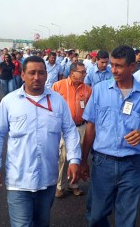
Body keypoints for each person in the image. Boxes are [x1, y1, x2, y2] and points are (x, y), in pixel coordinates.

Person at [0, 56, 81, 227]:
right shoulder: (10, 101)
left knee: (42, 223)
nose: (36, 77)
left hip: (47, 179)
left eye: (41, 73)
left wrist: (74, 159)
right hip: (18, 180)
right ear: (22, 75)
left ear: (46, 75)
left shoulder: (58, 101)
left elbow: (70, 131)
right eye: (32, 73)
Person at [81, 45, 140, 227]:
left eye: (119, 66)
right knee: (95, 215)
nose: (113, 70)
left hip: (132, 165)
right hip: (102, 163)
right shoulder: (100, 90)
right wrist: (84, 159)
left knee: (127, 219)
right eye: (112, 65)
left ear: (132, 66)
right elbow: (91, 126)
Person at [52, 61, 92, 198]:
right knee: (62, 158)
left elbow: (90, 110)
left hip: (81, 127)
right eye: (82, 72)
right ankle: (60, 186)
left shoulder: (87, 89)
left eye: (85, 72)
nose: (84, 74)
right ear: (72, 72)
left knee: (78, 158)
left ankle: (74, 184)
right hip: (63, 129)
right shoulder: (58, 86)